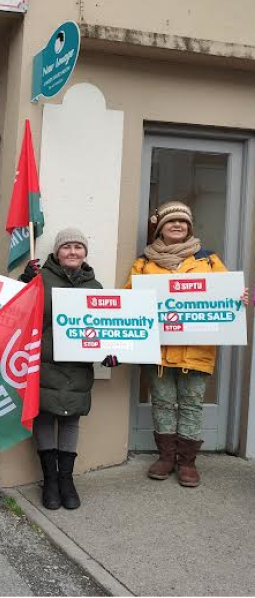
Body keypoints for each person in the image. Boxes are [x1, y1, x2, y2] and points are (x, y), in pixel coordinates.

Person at [126, 201, 249, 487]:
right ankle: (166, 457)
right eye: (171, 222)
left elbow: (227, 296)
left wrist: (239, 300)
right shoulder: (145, 262)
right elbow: (130, 297)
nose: (178, 226)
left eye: (183, 222)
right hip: (158, 350)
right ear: (160, 228)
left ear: (190, 227)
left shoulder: (208, 260)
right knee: (163, 403)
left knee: (192, 404)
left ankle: (188, 462)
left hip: (197, 349)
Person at [20, 228, 117, 510]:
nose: (72, 252)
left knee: (71, 419)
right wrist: (24, 282)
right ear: (57, 252)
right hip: (44, 362)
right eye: (67, 247)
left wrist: (110, 353)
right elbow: (18, 310)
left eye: (78, 247)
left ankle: (67, 481)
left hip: (77, 366)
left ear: (85, 253)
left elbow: (104, 327)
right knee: (46, 417)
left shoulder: (94, 286)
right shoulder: (40, 279)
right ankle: (50, 480)